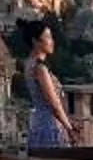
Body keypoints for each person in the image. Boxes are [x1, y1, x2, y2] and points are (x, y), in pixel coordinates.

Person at [15, 19, 77, 151]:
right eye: (48, 37)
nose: (52, 41)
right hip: (49, 124)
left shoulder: (30, 64)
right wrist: (69, 127)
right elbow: (54, 103)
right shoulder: (40, 68)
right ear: (35, 41)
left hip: (39, 121)